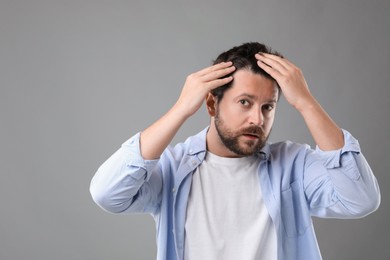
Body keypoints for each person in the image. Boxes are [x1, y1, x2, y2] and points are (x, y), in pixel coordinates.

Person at [90, 42, 380, 260]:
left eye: (268, 107)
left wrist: (306, 103)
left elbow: (361, 199)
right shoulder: (172, 168)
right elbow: (107, 194)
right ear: (212, 105)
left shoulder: (294, 165)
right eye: (245, 102)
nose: (258, 119)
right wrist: (180, 110)